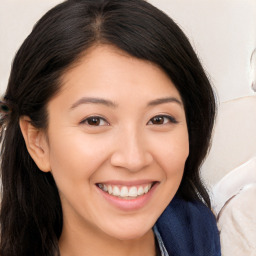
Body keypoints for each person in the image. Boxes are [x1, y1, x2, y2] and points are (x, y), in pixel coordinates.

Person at [0, 0, 221, 255]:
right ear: (37, 141)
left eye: (159, 119)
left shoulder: (203, 232)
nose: (133, 159)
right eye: (94, 121)